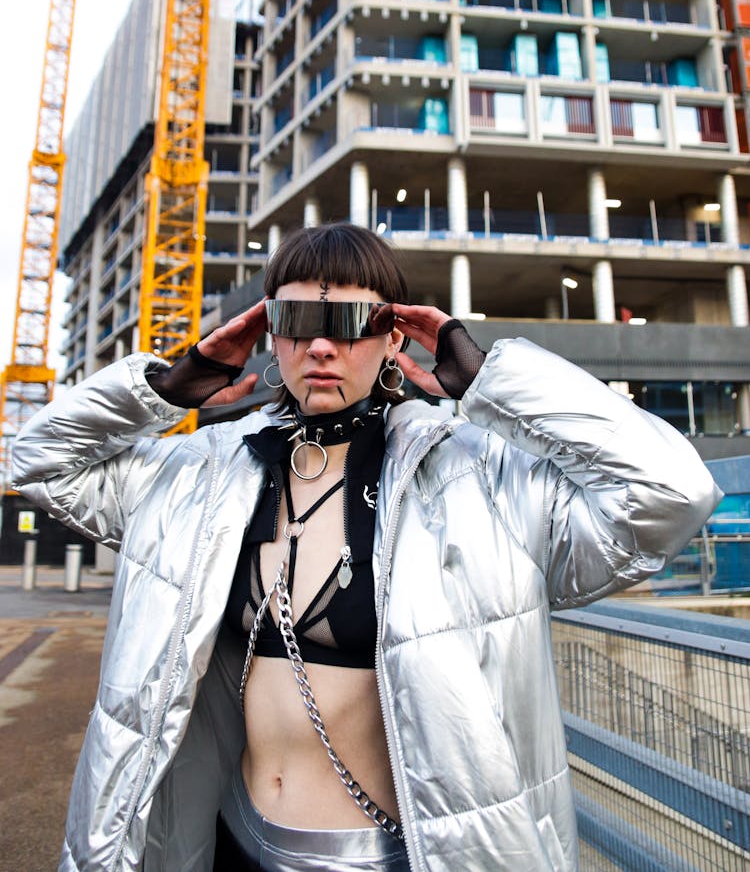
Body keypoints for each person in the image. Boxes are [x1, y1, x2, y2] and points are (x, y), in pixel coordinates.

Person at [11, 222, 721, 872]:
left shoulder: (476, 480)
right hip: (229, 840)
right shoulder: (203, 473)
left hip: (388, 856)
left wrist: (491, 383)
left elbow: (671, 490)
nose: (322, 346)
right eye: (297, 320)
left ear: (395, 337)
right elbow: (36, 463)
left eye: (351, 322)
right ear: (269, 333)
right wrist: (170, 386)